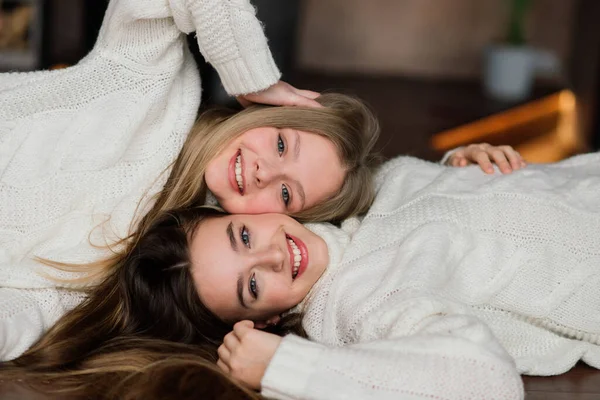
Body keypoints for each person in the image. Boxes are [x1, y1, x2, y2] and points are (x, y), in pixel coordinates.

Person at [0, 0, 385, 361]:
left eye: (285, 193)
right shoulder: (158, 84)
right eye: (281, 144)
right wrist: (253, 77)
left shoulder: (154, 261)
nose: (263, 172)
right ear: (269, 113)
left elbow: (34, 307)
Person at [0, 145, 538, 399]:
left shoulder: (336, 212)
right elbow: (488, 382)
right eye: (252, 285)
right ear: (266, 321)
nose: (274, 256)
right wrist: (286, 367)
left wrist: (459, 175)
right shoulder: (358, 300)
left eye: (244, 237)